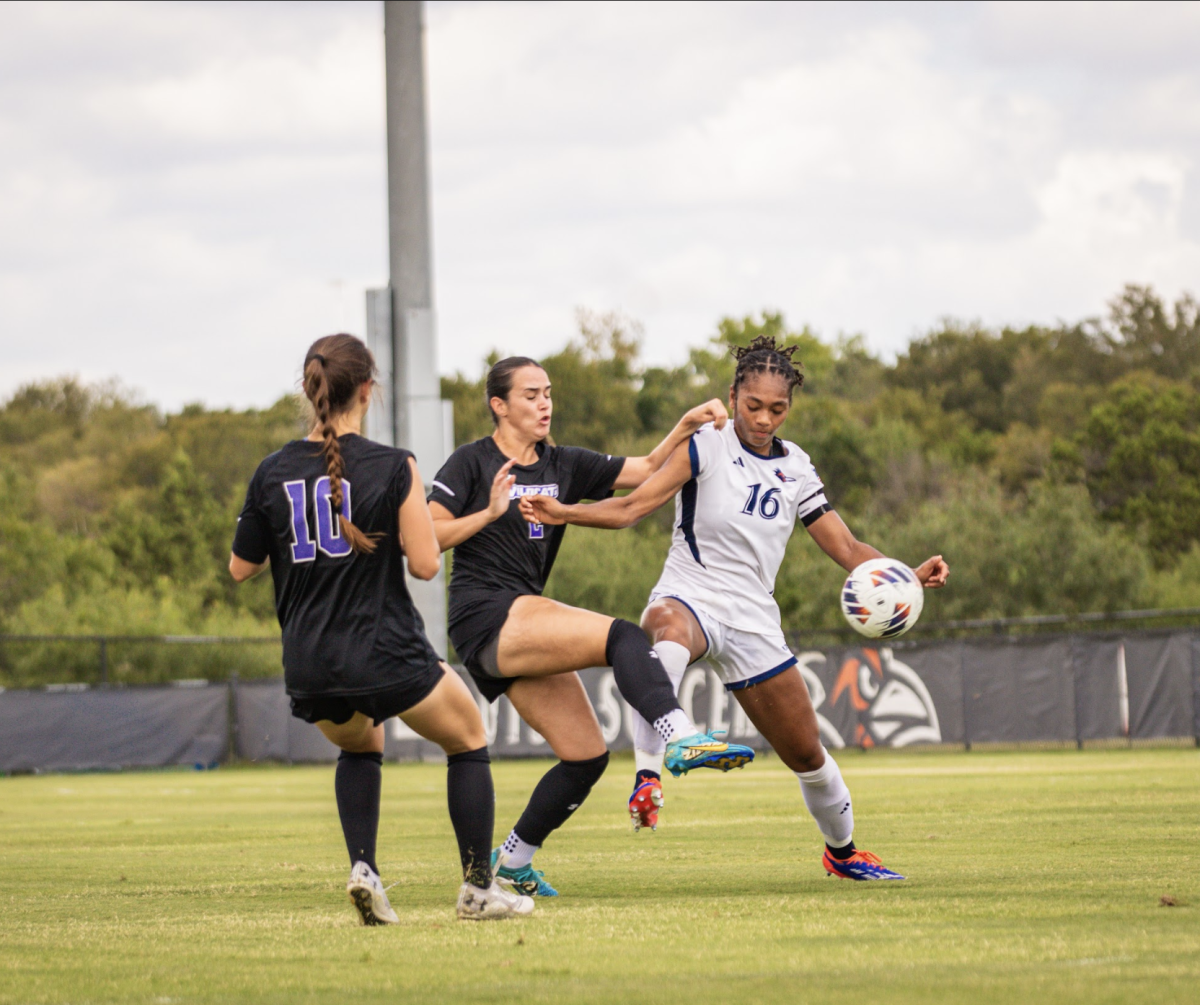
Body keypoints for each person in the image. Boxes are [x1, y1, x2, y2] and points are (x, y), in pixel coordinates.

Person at [520, 335, 950, 880]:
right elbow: (631, 507)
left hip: (753, 620)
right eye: (753, 406)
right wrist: (566, 513)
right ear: (732, 396)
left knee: (808, 756)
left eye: (778, 409)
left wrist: (905, 576)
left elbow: (847, 549)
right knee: (666, 634)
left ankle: (843, 854)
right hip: (690, 593)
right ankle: (649, 773)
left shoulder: (797, 467)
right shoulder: (706, 445)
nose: (765, 419)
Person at [229, 333, 532, 922]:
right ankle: (476, 889)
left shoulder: (271, 472)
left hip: (311, 661)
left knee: (362, 745)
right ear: (369, 390)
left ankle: (364, 868)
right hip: (385, 649)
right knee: (468, 736)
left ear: (308, 388)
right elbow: (424, 564)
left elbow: (242, 567)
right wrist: (485, 515)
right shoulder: (394, 465)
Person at [427, 356, 755, 896]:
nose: (544, 403)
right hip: (485, 613)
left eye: (548, 393)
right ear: (498, 405)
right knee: (624, 635)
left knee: (584, 756)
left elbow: (651, 468)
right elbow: (431, 536)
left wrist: (686, 425)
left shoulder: (563, 464)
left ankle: (512, 861)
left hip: (519, 619)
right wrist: (488, 511)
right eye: (530, 394)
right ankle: (680, 739)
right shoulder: (471, 462)